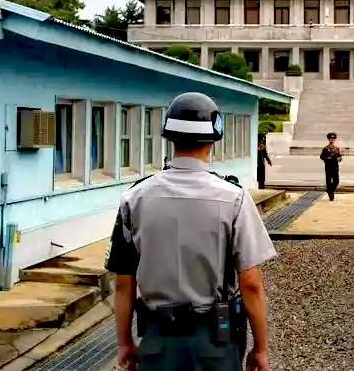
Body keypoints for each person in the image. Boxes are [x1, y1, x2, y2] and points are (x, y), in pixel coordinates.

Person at [105, 92, 276, 371]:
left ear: (169, 136)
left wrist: (124, 342)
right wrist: (260, 348)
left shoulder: (134, 198)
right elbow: (251, 284)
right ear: (213, 138)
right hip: (215, 342)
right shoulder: (234, 198)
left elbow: (124, 282)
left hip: (157, 339)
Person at [319, 132, 342, 201]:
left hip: (335, 167)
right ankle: (331, 194)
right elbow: (321, 157)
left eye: (333, 138)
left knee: (336, 181)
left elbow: (340, 156)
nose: (332, 140)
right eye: (331, 138)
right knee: (328, 181)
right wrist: (327, 158)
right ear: (328, 139)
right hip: (328, 167)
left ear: (335, 140)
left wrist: (339, 158)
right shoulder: (325, 148)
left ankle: (330, 190)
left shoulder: (337, 148)